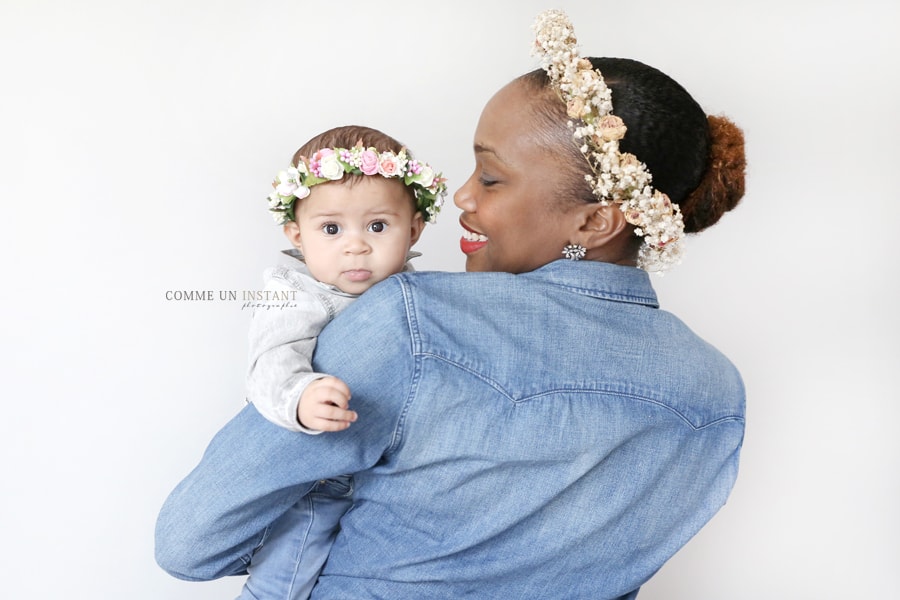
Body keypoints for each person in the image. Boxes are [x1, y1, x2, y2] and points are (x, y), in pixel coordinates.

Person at [156, 10, 747, 599]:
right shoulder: (718, 394)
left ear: (595, 220)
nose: (460, 195)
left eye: (490, 178)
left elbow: (190, 542)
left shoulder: (411, 322)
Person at [237, 124, 446, 599]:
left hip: (392, 473)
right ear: (297, 234)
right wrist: (301, 394)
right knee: (284, 576)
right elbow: (270, 363)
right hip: (320, 478)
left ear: (413, 228)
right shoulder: (298, 296)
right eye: (331, 229)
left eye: (378, 226)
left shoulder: (417, 295)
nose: (356, 245)